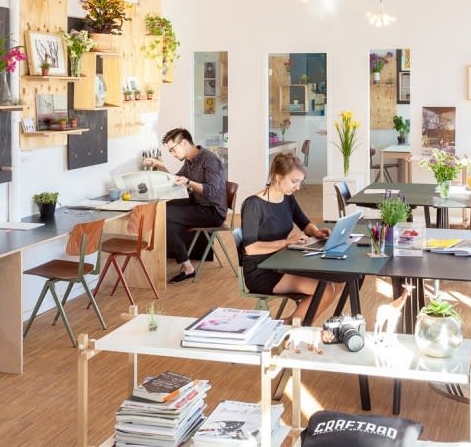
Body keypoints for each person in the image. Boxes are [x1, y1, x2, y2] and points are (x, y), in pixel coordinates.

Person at [238, 153, 343, 323]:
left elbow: (304, 223)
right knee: (326, 289)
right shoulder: (253, 205)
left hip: (282, 262)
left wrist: (316, 232)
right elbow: (251, 248)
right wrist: (286, 242)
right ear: (278, 177)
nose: (298, 187)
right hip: (261, 270)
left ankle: (290, 323)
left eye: (300, 182)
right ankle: (290, 326)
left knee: (338, 281)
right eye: (294, 181)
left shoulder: (287, 198)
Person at [142, 128, 227, 283]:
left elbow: (212, 191)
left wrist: (189, 182)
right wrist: (160, 165)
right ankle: (187, 267)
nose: (172, 154)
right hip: (199, 204)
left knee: (166, 214)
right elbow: (177, 179)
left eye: (173, 149)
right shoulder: (189, 160)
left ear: (184, 143)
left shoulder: (209, 159)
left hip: (213, 211)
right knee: (164, 214)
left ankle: (184, 266)